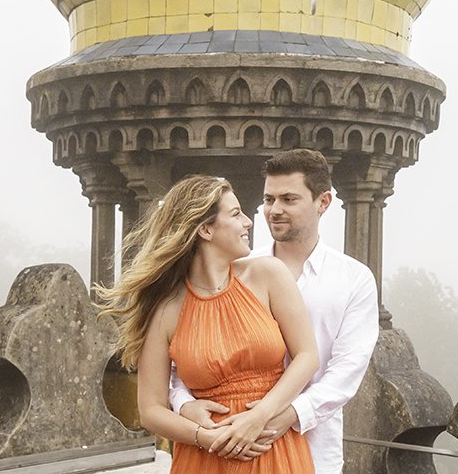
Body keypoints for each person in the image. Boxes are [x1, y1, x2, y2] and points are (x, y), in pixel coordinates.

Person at [172, 150, 379, 474]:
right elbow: (187, 351)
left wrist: (278, 418)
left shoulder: (353, 280)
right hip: (225, 443)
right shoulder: (234, 271)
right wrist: (184, 404)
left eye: (289, 199)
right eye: (269, 199)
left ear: (323, 202)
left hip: (313, 445)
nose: (274, 210)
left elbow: (344, 373)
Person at [98, 174, 321, 473]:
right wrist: (206, 438)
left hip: (273, 447)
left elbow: (307, 356)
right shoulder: (165, 309)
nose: (249, 222)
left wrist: (259, 417)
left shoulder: (268, 274)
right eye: (235, 214)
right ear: (205, 229)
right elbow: (150, 410)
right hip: (206, 457)